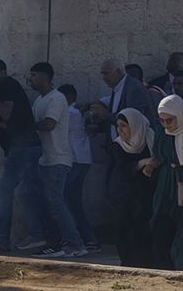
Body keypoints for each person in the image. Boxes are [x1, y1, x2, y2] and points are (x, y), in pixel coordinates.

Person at [0, 59, 42, 252]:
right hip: (21, 148)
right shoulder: (0, 92)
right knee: (23, 194)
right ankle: (33, 234)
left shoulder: (9, 85)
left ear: (3, 72)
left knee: (4, 193)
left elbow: (6, 114)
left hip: (24, 148)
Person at [24, 62, 87, 258]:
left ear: (44, 77)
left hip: (58, 160)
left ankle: (75, 244)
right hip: (45, 160)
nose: (30, 79)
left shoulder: (57, 98)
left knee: (56, 203)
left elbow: (49, 124)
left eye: (33, 75)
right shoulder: (39, 100)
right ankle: (55, 242)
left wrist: (25, 126)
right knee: (48, 203)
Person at [107, 109, 155, 267]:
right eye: (118, 126)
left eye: (124, 126)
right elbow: (122, 168)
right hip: (122, 193)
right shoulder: (118, 145)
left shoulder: (149, 138)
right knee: (124, 228)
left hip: (144, 194)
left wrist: (151, 166)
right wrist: (141, 163)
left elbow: (157, 159)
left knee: (142, 228)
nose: (120, 130)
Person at [141, 95, 183, 270]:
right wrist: (151, 166)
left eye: (170, 120)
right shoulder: (161, 132)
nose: (167, 125)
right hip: (166, 182)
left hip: (180, 179)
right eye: (163, 120)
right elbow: (160, 155)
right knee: (161, 224)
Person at [58, 84, 98, 251]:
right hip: (82, 159)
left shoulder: (70, 112)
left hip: (75, 160)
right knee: (73, 201)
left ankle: (76, 237)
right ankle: (88, 238)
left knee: (65, 199)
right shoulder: (78, 112)